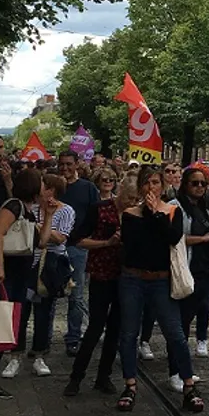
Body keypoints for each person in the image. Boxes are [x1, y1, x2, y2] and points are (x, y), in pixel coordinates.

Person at [116, 166, 203, 413]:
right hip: (133, 279)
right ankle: (130, 384)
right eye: (147, 183)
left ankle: (188, 384)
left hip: (162, 281)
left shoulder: (172, 211)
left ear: (162, 186)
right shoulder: (130, 214)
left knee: (175, 334)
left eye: (155, 183)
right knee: (129, 333)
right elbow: (133, 246)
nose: (151, 188)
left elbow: (173, 238)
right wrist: (149, 215)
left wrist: (157, 215)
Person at [0, 166, 39, 406]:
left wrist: (50, 214)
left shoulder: (28, 211)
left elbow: (41, 241)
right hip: (4, 276)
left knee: (4, 329)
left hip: (18, 278)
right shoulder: (14, 207)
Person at [64, 167, 127, 397]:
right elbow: (79, 240)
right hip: (102, 274)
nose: (131, 203)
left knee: (115, 329)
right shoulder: (99, 209)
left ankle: (104, 376)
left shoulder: (137, 213)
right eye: (128, 198)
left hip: (126, 277)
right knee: (95, 327)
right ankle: (76, 377)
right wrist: (106, 243)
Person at [168, 166, 209, 386]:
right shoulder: (175, 207)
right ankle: (175, 371)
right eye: (194, 183)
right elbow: (172, 239)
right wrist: (201, 240)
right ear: (185, 185)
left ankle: (183, 368)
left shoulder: (206, 209)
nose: (199, 187)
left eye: (203, 184)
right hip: (184, 271)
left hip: (204, 271)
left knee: (192, 318)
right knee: (180, 323)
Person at [23, 174, 75, 377]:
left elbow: (60, 238)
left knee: (44, 311)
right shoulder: (31, 208)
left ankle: (40, 353)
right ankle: (15, 354)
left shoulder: (66, 210)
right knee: (23, 308)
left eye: (45, 187)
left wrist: (41, 226)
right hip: (29, 262)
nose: (41, 191)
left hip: (50, 265)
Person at [57, 150, 99, 357]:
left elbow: (96, 215)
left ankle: (73, 337)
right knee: (47, 293)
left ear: (76, 165)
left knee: (76, 295)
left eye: (68, 164)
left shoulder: (88, 188)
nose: (65, 168)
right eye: (62, 164)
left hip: (77, 247)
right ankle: (42, 340)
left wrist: (87, 240)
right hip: (54, 247)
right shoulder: (54, 187)